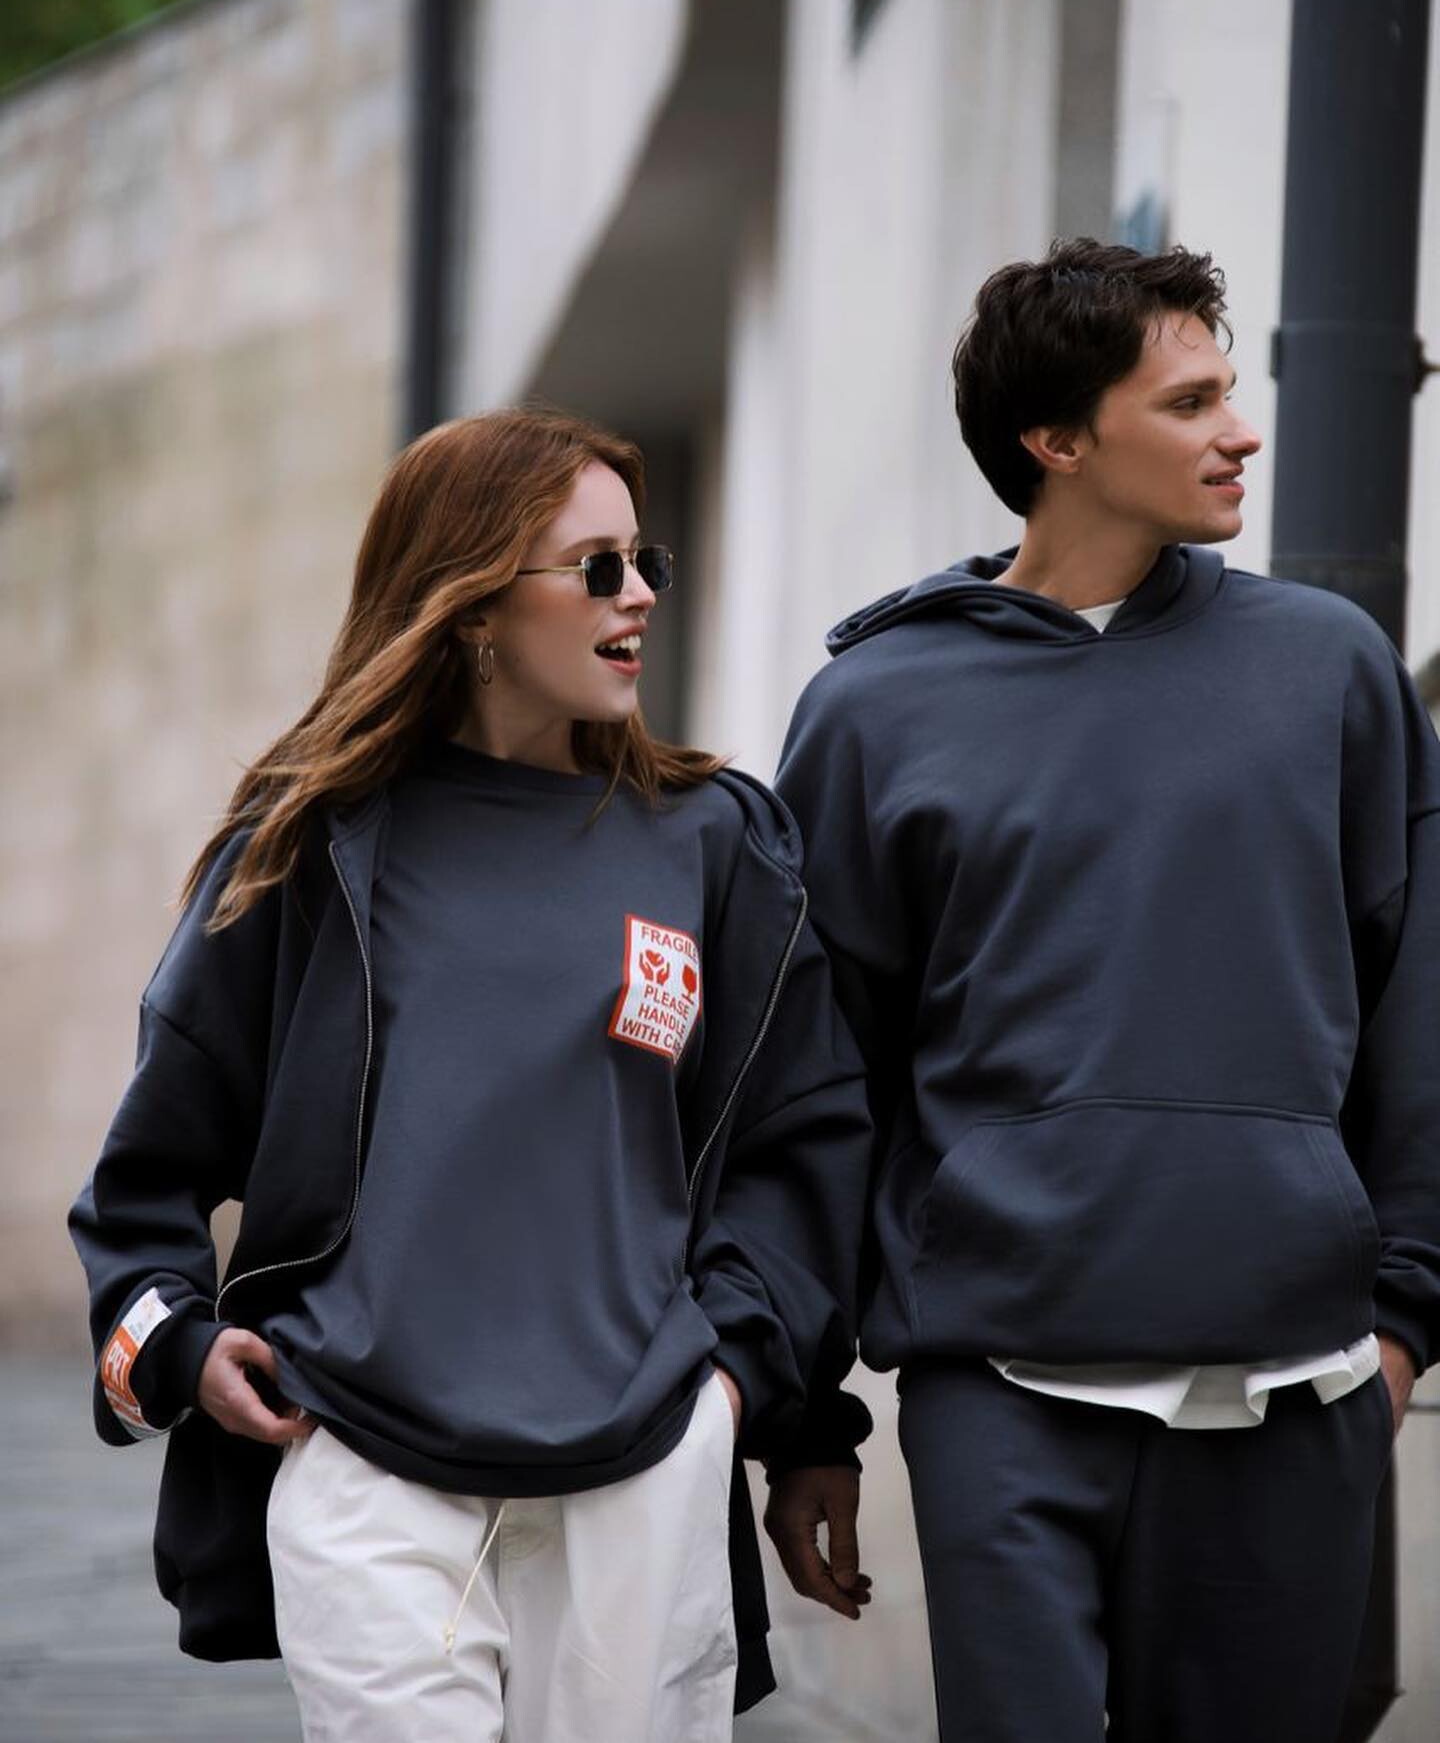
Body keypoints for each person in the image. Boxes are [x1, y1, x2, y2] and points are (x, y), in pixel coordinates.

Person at [71, 406, 872, 1742]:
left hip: (646, 1468)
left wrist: (738, 1382)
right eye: (598, 567)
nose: (640, 596)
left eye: (648, 561)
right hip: (365, 1461)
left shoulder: (715, 844)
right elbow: (148, 1168)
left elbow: (804, 1145)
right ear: (475, 604)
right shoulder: (309, 847)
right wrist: (182, 1350)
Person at [764, 239, 1440, 1742]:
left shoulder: (1329, 671)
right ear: (1057, 441)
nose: (1240, 432)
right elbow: (819, 1089)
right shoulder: (877, 710)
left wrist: (1402, 1321)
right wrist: (810, 1415)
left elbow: (1422, 1018)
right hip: (1003, 1390)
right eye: (1190, 402)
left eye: (1230, 393)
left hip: (1300, 1395)